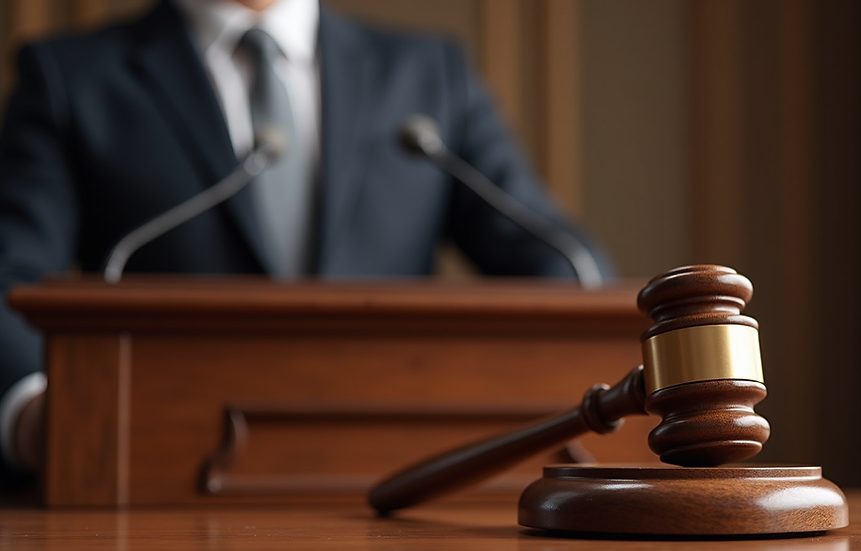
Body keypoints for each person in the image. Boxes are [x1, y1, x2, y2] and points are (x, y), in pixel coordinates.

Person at [0, 0, 613, 483]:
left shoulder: (428, 73)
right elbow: (12, 275)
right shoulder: (70, 76)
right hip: (168, 466)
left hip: (400, 465)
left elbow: (555, 259)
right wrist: (35, 415)